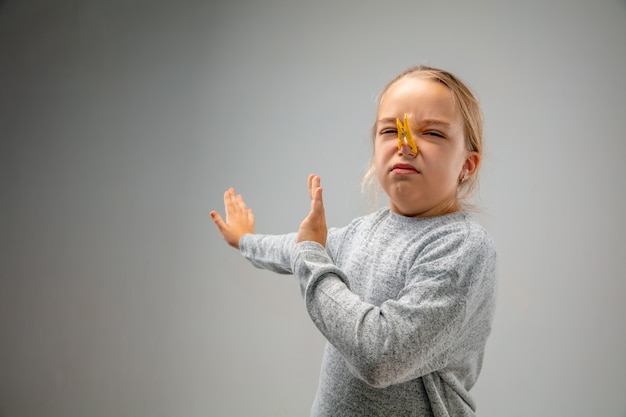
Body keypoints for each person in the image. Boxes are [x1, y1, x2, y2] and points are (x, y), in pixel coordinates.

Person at [210, 65, 497, 417]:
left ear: (467, 165)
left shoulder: (462, 248)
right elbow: (296, 249)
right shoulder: (364, 231)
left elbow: (381, 356)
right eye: (391, 130)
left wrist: (312, 257)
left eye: (433, 133)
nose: (406, 145)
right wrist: (245, 240)